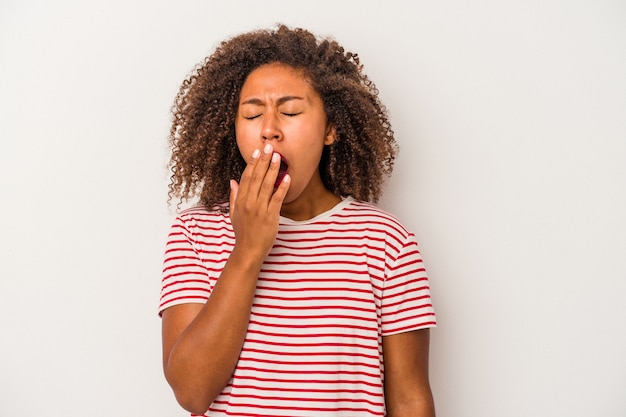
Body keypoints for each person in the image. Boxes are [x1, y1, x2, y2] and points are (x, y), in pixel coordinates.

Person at [159, 24, 437, 417]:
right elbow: (191, 391)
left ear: (330, 129)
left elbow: (410, 400)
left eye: (289, 111)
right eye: (252, 114)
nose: (269, 130)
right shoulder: (196, 232)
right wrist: (248, 250)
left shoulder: (386, 243)